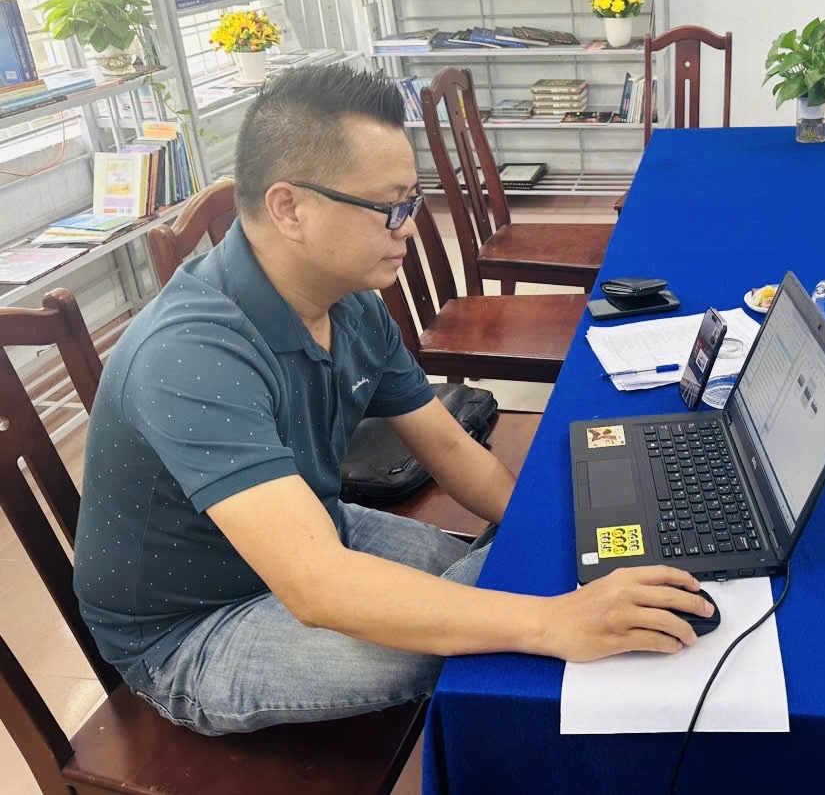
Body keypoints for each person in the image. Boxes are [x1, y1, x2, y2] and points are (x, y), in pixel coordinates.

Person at [72, 65, 714, 736]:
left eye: (413, 201)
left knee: (521, 570)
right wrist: (552, 621)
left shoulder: (348, 300)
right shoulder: (190, 355)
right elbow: (318, 586)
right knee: (491, 630)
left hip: (314, 526)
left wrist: (562, 538)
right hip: (194, 632)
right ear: (289, 208)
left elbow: (448, 447)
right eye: (391, 207)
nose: (409, 226)